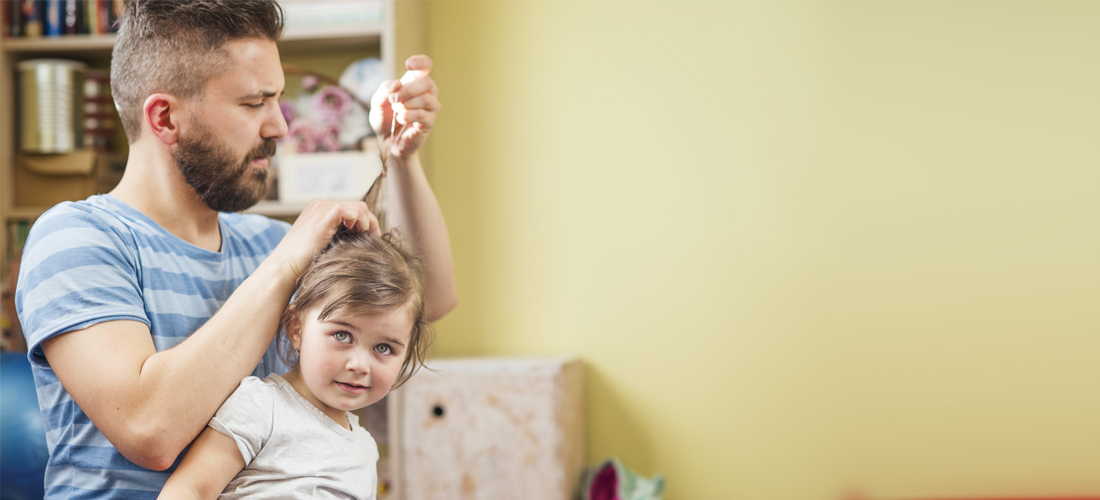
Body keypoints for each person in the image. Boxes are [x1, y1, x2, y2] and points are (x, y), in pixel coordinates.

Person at [14, 0, 455, 498]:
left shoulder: (267, 243)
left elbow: (427, 298)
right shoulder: (76, 238)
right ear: (164, 118)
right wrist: (285, 263)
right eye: (253, 103)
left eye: (278, 99)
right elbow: (150, 430)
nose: (279, 127)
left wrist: (401, 159)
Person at [158, 229, 430, 499]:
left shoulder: (365, 449)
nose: (360, 365)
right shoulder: (261, 405)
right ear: (297, 328)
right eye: (342, 335)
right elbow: (190, 489)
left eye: (383, 348)